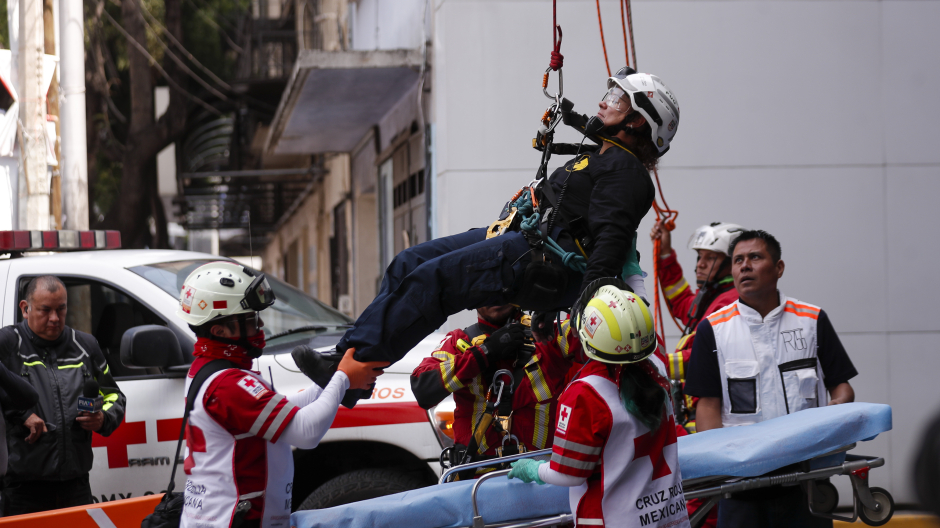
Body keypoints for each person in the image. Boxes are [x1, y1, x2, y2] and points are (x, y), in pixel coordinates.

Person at [336, 68, 680, 398]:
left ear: (637, 122)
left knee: (433, 279)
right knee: (409, 261)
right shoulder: (603, 156)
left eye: (618, 99)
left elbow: (610, 242)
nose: (605, 102)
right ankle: (344, 358)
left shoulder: (627, 171)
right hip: (524, 242)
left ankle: (352, 373)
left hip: (537, 257)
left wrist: (582, 306)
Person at [176, 262, 388, 528]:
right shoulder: (228, 384)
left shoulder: (211, 370)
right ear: (220, 331)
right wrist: (343, 378)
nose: (260, 325)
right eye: (250, 320)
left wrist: (328, 381)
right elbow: (305, 432)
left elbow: (282, 413)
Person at [684, 230, 858, 528]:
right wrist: (719, 467)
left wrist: (836, 410)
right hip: (741, 490)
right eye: (738, 260)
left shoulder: (812, 319)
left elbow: (841, 385)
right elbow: (708, 404)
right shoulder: (712, 329)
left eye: (755, 257)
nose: (744, 266)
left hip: (807, 483)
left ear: (779, 268)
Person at [507, 279, 690, 528]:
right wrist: (634, 275)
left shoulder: (586, 394)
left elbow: (568, 474)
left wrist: (533, 469)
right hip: (670, 516)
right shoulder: (657, 366)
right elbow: (638, 324)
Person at [0, 275, 126, 515]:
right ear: (25, 309)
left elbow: (113, 396)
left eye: (61, 309)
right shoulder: (7, 343)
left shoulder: (86, 345)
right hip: (21, 490)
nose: (55, 318)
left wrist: (103, 419)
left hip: (76, 486)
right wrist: (21, 414)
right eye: (45, 310)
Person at [411, 305, 577, 465]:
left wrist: (554, 304)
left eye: (501, 289)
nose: (495, 298)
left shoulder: (548, 333)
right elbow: (422, 388)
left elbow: (596, 334)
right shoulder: (458, 342)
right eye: (486, 292)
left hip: (539, 479)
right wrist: (485, 352)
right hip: (475, 479)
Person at [650, 221, 743, 429]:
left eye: (710, 258)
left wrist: (656, 364)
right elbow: (681, 300)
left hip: (713, 418)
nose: (700, 264)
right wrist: (665, 253)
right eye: (700, 256)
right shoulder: (713, 297)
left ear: (731, 263)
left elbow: (709, 355)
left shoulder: (731, 302)